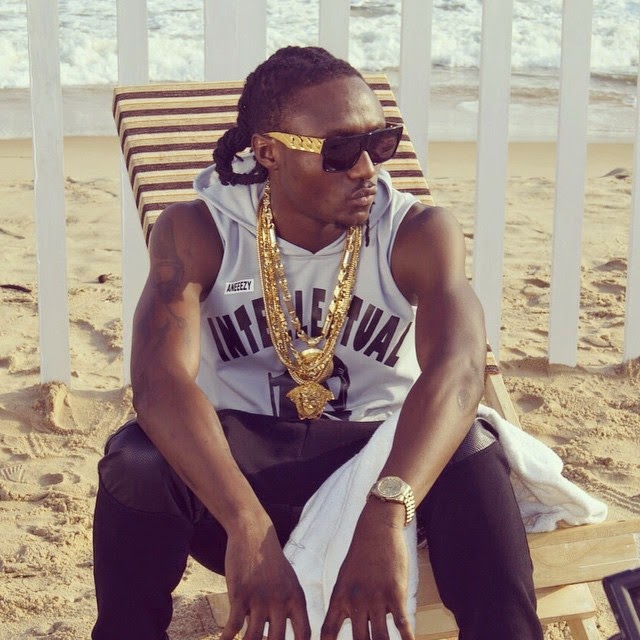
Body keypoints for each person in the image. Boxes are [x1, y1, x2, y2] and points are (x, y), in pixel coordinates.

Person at [92, 46, 544, 640]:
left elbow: (460, 373)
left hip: (377, 463)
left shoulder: (417, 232)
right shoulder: (199, 230)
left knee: (474, 451)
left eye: (380, 144)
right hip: (237, 477)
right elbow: (158, 384)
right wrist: (246, 524)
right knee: (136, 461)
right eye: (340, 151)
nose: (367, 169)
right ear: (268, 153)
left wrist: (387, 509)